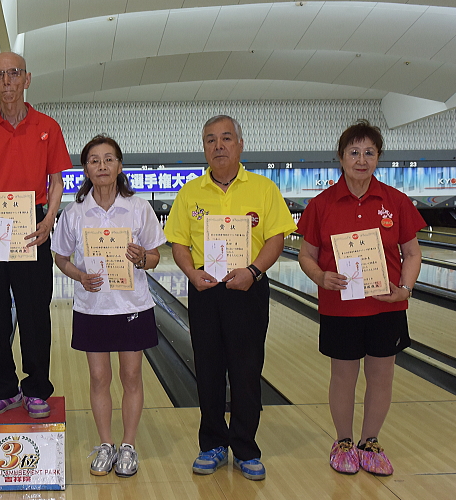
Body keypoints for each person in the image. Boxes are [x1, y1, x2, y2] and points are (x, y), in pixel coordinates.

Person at [164, 115, 296, 481]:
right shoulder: (190, 192)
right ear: (204, 147)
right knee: (207, 370)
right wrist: (191, 274)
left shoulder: (264, 189)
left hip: (249, 287)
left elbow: (276, 238)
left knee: (246, 370)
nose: (218, 145)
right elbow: (179, 243)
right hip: (205, 288)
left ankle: (246, 448)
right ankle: (212, 444)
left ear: (240, 144)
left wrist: (253, 271)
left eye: (226, 138)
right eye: (211, 140)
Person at [297, 120, 424, 476]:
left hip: (386, 306)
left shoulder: (395, 201)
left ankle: (370, 443)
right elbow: (306, 255)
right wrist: (321, 276)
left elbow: (413, 253)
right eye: (354, 152)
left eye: (369, 152)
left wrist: (405, 289)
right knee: (343, 376)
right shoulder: (321, 204)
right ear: (340, 157)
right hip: (340, 307)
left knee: (382, 376)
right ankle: (343, 442)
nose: (361, 160)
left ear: (378, 157)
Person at [0, 52, 71, 418]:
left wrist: (49, 219)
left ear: (27, 79)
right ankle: (4, 389)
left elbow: (57, 181)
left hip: (32, 225)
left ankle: (36, 389)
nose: (7, 81)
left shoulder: (48, 127)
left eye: (13, 73)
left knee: (34, 311)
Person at [52, 135, 165, 477]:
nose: (102, 166)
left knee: (131, 376)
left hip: (132, 306)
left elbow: (155, 256)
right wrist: (79, 275)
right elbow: (60, 257)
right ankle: (106, 444)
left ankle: (128, 445)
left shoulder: (138, 208)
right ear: (86, 169)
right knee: (99, 378)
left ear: (119, 166)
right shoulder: (75, 213)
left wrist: (142, 257)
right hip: (92, 307)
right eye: (94, 160)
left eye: (108, 159)